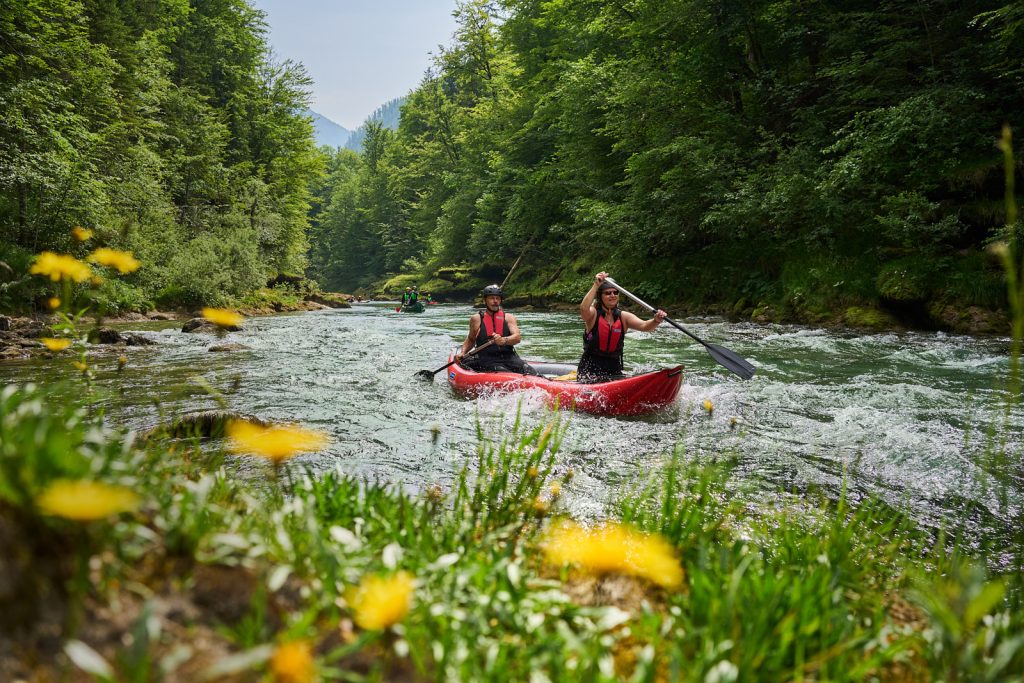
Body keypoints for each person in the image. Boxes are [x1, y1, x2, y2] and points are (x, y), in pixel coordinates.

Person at [578, 272, 666, 382]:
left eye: (615, 292)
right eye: (608, 293)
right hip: (590, 368)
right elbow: (583, 309)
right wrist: (596, 285)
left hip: (614, 368)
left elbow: (645, 326)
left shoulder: (623, 317)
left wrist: (656, 320)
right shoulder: (593, 314)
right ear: (600, 297)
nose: (612, 295)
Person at [456, 284, 537, 374]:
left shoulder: (509, 317)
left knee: (531, 372)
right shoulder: (476, 319)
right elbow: (471, 339)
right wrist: (463, 352)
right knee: (505, 373)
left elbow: (517, 338)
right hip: (488, 360)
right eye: (491, 298)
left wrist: (504, 340)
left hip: (510, 358)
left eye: (497, 298)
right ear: (485, 300)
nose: (495, 301)